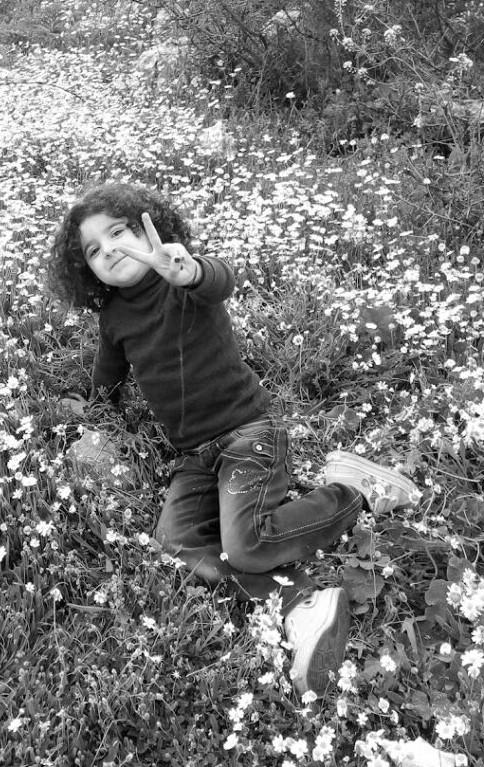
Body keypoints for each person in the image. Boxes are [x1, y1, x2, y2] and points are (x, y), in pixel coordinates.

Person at [47, 181, 421, 697]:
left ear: (150, 230)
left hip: (248, 434)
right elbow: (106, 381)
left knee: (245, 545)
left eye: (118, 232)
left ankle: (350, 491)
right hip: (195, 458)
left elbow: (220, 280)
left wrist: (187, 269)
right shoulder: (113, 318)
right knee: (172, 544)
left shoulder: (184, 281)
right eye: (93, 249)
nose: (109, 249)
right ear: (84, 270)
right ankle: (300, 602)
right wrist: (86, 413)